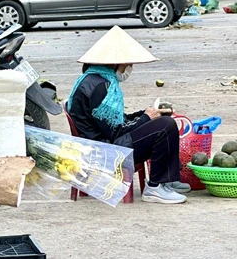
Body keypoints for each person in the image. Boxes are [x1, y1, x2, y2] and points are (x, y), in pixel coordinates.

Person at [67, 26, 189, 204]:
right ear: (113, 63)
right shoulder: (100, 86)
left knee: (163, 120)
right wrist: (146, 118)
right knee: (165, 125)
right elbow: (116, 132)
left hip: (103, 143)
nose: (129, 68)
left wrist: (145, 114)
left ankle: (167, 179)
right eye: (128, 63)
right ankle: (155, 187)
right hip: (106, 151)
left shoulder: (95, 80)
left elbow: (116, 121)